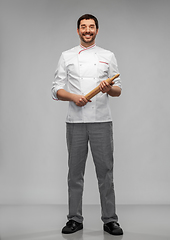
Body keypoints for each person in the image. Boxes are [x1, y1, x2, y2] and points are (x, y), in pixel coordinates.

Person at [51, 14, 123, 236]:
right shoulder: (67, 56)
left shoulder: (107, 56)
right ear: (78, 30)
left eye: (91, 27)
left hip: (102, 120)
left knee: (106, 173)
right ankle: (74, 219)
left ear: (97, 30)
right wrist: (74, 97)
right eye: (83, 27)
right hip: (76, 122)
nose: (87, 30)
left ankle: (110, 220)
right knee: (75, 173)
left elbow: (118, 89)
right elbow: (56, 89)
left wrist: (107, 89)